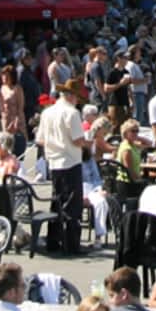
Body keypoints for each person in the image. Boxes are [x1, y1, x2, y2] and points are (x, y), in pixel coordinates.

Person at [37, 79, 89, 255]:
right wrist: (87, 143)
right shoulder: (72, 113)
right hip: (70, 161)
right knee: (72, 206)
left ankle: (53, 240)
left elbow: (40, 139)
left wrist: (54, 144)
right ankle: (72, 245)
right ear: (71, 96)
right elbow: (77, 139)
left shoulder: (47, 112)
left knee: (56, 202)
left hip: (54, 162)